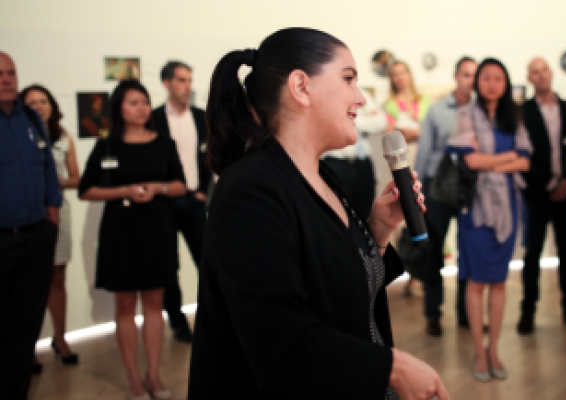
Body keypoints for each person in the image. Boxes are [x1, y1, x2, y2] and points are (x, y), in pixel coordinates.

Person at [187, 28, 450, 400]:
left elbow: (331, 283)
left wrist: (377, 230)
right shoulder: (250, 190)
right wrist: (392, 367)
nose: (360, 98)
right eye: (348, 79)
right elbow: (280, 342)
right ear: (301, 87)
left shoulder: (321, 175)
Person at [79, 80, 186, 400]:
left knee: (154, 303)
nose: (141, 108)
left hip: (156, 228)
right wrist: (123, 191)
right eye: (133, 102)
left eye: (145, 102)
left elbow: (180, 185)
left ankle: (153, 374)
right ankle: (132, 378)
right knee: (125, 305)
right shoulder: (106, 146)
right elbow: (86, 190)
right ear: (119, 108)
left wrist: (157, 188)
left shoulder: (164, 143)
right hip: (120, 231)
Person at [447, 58, 531, 382]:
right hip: (476, 209)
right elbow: (471, 161)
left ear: (506, 83)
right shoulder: (465, 115)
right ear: (476, 82)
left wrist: (489, 160)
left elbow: (525, 162)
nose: (492, 84)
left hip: (508, 207)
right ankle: (478, 352)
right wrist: (508, 157)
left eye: (498, 78)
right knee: (476, 281)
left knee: (498, 281)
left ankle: (493, 349)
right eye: (486, 77)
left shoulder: (514, 117)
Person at [0, 52, 61, 400]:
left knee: (24, 329)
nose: (6, 79)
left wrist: (51, 226)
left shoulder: (31, 118)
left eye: (11, 73)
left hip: (36, 237)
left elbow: (48, 173)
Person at [414, 56, 477, 336]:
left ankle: (465, 314)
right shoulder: (437, 110)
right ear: (456, 76)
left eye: (474, 75)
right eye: (466, 74)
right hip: (436, 189)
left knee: (468, 253)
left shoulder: (482, 111)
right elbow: (424, 152)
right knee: (433, 253)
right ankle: (432, 314)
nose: (470, 80)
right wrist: (415, 192)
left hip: (469, 190)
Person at [20, 84, 81, 368]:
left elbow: (77, 178)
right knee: (25, 283)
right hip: (25, 215)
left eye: (43, 101)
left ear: (52, 106)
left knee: (57, 279)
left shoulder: (63, 138)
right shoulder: (16, 136)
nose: (38, 106)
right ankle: (26, 346)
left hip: (58, 212)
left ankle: (60, 338)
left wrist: (57, 181)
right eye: (32, 102)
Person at [151, 61, 211, 343]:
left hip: (195, 200)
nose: (187, 86)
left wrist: (205, 192)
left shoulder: (201, 117)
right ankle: (177, 322)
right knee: (168, 267)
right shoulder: (154, 119)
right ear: (167, 83)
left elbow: (212, 156)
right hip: (164, 203)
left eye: (189, 80)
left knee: (207, 262)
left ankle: (212, 317)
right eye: (181, 80)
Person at [517, 58, 566, 335]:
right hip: (537, 194)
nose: (541, 76)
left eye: (544, 70)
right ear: (529, 78)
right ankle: (528, 310)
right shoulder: (523, 112)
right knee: (533, 254)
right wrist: (551, 184)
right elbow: (523, 155)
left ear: (551, 74)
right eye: (535, 72)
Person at [384, 61, 431, 296]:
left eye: (402, 72)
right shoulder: (390, 104)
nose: (399, 77)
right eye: (394, 74)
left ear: (409, 74)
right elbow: (390, 134)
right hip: (401, 163)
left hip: (424, 160)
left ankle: (424, 273)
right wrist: (414, 132)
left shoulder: (424, 101)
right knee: (404, 218)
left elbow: (428, 131)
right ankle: (409, 272)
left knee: (424, 214)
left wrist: (408, 132)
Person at [323, 88, 386, 219]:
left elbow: (381, 123)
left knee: (365, 211)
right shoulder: (329, 94)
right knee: (337, 212)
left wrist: (352, 120)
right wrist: (365, 118)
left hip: (363, 162)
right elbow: (333, 121)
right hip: (337, 163)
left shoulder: (363, 94)